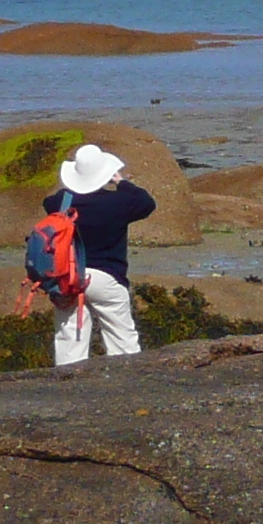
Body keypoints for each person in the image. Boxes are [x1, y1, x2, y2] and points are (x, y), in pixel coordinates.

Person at [48, 143, 156, 367]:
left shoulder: (61, 203)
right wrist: (121, 181)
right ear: (105, 174)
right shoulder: (118, 202)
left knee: (70, 337)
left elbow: (48, 202)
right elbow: (146, 203)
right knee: (122, 338)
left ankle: (69, 387)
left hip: (68, 274)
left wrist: (72, 186)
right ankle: (126, 382)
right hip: (107, 277)